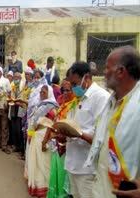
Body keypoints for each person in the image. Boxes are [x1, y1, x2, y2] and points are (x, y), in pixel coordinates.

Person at [84, 46, 140, 198]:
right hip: (102, 187)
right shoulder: (111, 101)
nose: (104, 72)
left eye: (107, 67)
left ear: (121, 71)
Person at [61, 61, 110, 198]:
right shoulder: (79, 99)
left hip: (87, 169)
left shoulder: (101, 97)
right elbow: (74, 125)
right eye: (72, 85)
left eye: (75, 84)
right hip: (73, 163)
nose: (73, 88)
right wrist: (63, 135)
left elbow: (101, 137)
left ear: (87, 77)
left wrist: (79, 134)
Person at [26, 85, 58, 197]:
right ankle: (37, 186)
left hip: (44, 136)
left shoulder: (52, 106)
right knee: (36, 163)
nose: (41, 94)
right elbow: (32, 121)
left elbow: (51, 123)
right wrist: (30, 134)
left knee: (44, 163)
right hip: (35, 136)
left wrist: (45, 139)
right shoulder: (39, 105)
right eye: (40, 92)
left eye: (44, 92)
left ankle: (46, 188)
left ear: (49, 93)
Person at [47, 80, 77, 198]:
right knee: (56, 171)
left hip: (68, 145)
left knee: (65, 175)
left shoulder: (75, 106)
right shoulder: (62, 106)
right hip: (57, 143)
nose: (65, 93)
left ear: (73, 91)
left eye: (68, 90)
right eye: (63, 90)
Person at [8, 72, 24, 153]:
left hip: (19, 109)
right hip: (13, 109)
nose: (16, 78)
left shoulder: (23, 86)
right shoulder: (12, 85)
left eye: (18, 77)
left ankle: (19, 146)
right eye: (15, 77)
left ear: (20, 78)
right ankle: (15, 146)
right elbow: (10, 96)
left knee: (19, 130)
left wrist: (18, 102)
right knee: (13, 129)